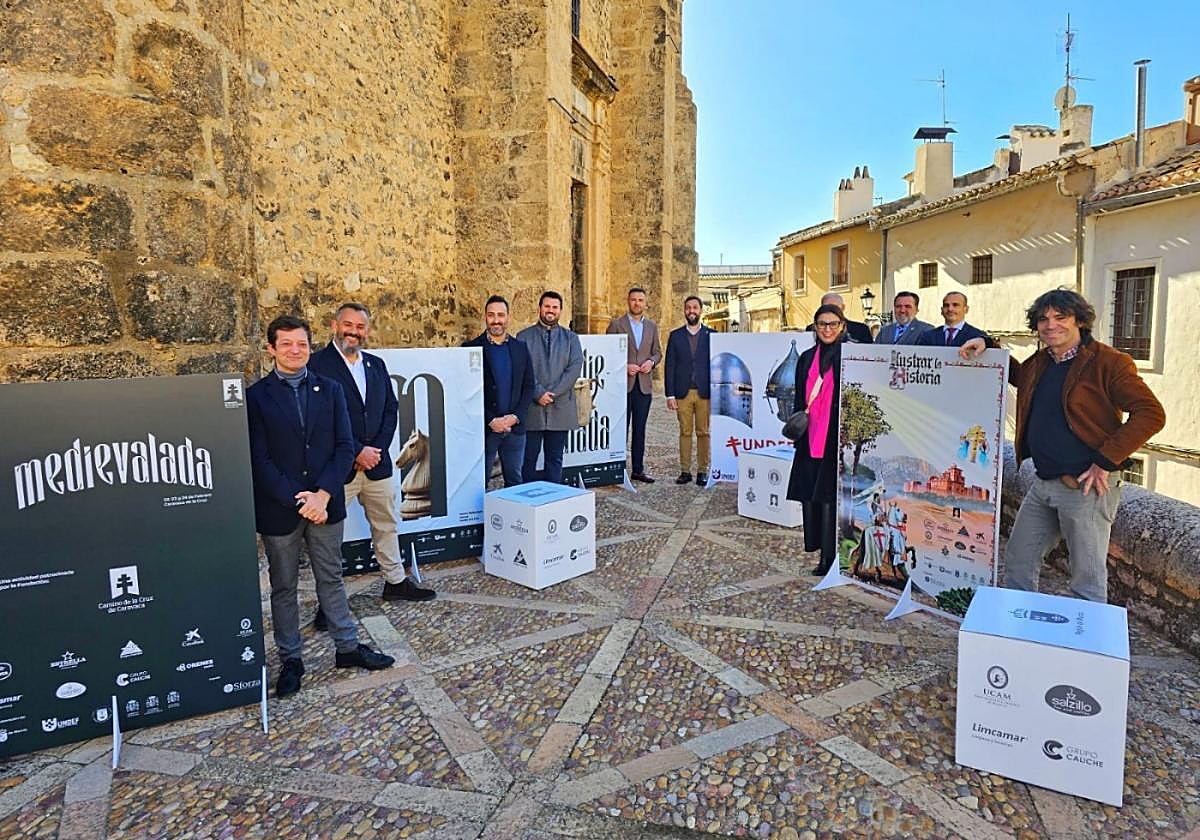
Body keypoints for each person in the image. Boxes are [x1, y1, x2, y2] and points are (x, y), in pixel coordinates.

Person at [962, 288, 1165, 603]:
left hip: (1085, 487)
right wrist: (988, 346)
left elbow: (1151, 414)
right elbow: (1020, 377)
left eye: (1060, 317)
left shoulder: (1109, 363)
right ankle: (1018, 625)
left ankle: (1087, 634)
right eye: (1043, 319)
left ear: (1079, 321)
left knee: (1086, 578)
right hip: (1043, 482)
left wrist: (1105, 461)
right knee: (1018, 559)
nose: (1050, 325)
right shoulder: (1041, 361)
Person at [247, 315, 394, 698]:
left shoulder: (330, 390)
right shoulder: (256, 397)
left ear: (310, 346)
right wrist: (301, 499)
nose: (295, 350)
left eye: (301, 343)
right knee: (284, 586)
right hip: (281, 509)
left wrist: (324, 495)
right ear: (271, 349)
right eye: (286, 344)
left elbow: (344, 447)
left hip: (326, 503)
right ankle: (291, 659)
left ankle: (347, 647)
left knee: (332, 577)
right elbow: (259, 459)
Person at [309, 303, 435, 610]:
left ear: (367, 330)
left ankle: (395, 583)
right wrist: (356, 451)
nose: (354, 332)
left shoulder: (375, 365)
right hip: (338, 469)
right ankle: (329, 604)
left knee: (386, 525)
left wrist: (375, 450)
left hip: (377, 466)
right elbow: (319, 419)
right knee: (328, 538)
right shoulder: (316, 365)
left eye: (360, 326)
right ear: (334, 325)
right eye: (348, 325)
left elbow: (390, 410)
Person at [787, 303, 846, 575]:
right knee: (812, 499)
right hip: (810, 438)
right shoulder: (806, 358)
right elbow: (800, 397)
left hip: (835, 439)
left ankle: (831, 557)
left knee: (830, 500)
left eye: (833, 324)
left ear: (842, 326)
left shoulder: (849, 357)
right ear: (815, 327)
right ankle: (820, 549)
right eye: (822, 324)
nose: (827, 329)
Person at [463, 295, 535, 487]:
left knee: (515, 481)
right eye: (491, 315)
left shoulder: (520, 348)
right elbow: (466, 393)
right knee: (479, 483)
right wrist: (490, 420)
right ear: (485, 317)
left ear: (508, 318)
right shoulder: (470, 349)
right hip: (485, 429)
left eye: (501, 315)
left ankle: (513, 510)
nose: (496, 320)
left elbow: (529, 386)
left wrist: (515, 417)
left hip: (514, 428)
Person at [517, 291, 584, 484]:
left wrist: (553, 393)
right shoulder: (523, 337)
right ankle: (527, 497)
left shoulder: (571, 339)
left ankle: (552, 497)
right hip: (532, 408)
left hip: (560, 406)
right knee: (528, 459)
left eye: (555, 307)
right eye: (547, 306)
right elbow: (522, 369)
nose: (550, 310)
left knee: (554, 459)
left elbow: (574, 368)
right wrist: (538, 393)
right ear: (540, 308)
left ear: (560, 310)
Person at [607, 287, 662, 482]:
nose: (636, 303)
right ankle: (617, 469)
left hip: (644, 387)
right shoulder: (616, 324)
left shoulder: (652, 327)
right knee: (620, 430)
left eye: (640, 300)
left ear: (645, 304)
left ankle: (638, 470)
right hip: (622, 386)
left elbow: (657, 352)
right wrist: (624, 366)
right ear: (628, 301)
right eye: (633, 300)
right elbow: (608, 353)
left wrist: (651, 362)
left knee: (640, 430)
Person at [664, 295, 713, 485]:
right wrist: (670, 394)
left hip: (705, 393)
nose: (691, 311)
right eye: (688, 308)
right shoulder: (675, 336)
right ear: (684, 311)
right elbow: (670, 366)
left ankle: (702, 471)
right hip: (682, 393)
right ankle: (685, 471)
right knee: (685, 432)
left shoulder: (712, 335)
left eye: (695, 307)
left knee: (703, 432)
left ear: (701, 310)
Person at [915, 291, 993, 347]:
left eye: (955, 305)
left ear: (966, 309)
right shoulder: (928, 336)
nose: (950, 309)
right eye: (946, 305)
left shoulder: (978, 336)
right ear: (942, 310)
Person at [805, 292, 873, 343]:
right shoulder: (811, 329)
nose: (830, 311)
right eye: (826, 307)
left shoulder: (861, 330)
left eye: (834, 307)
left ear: (843, 307)